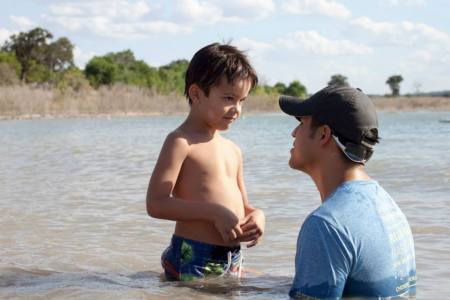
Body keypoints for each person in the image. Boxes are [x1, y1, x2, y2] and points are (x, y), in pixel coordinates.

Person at [279, 85, 416, 298]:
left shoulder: (326, 225)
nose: (294, 132)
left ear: (324, 134)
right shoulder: (387, 205)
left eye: (302, 122)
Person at [146, 43, 265, 282]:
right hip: (194, 254)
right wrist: (212, 213)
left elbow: (244, 206)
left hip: (232, 255)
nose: (237, 109)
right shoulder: (181, 142)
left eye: (242, 100)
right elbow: (156, 204)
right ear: (196, 94)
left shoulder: (233, 150)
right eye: (229, 98)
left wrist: (257, 215)